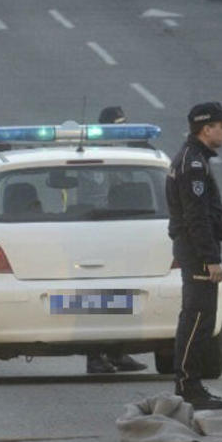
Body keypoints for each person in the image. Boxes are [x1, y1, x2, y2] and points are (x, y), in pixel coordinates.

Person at [165, 102, 222, 410]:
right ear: (207, 129)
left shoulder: (193, 158)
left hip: (193, 249)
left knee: (197, 317)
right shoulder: (192, 164)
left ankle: (190, 383)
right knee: (197, 319)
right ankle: (188, 385)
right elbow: (197, 217)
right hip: (196, 252)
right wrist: (210, 258)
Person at [85, 106, 148, 374]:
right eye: (118, 124)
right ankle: (94, 356)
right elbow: (95, 196)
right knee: (93, 299)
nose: (122, 129)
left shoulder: (123, 154)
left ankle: (117, 352)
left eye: (124, 124)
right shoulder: (91, 157)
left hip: (121, 232)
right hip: (93, 233)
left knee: (122, 296)